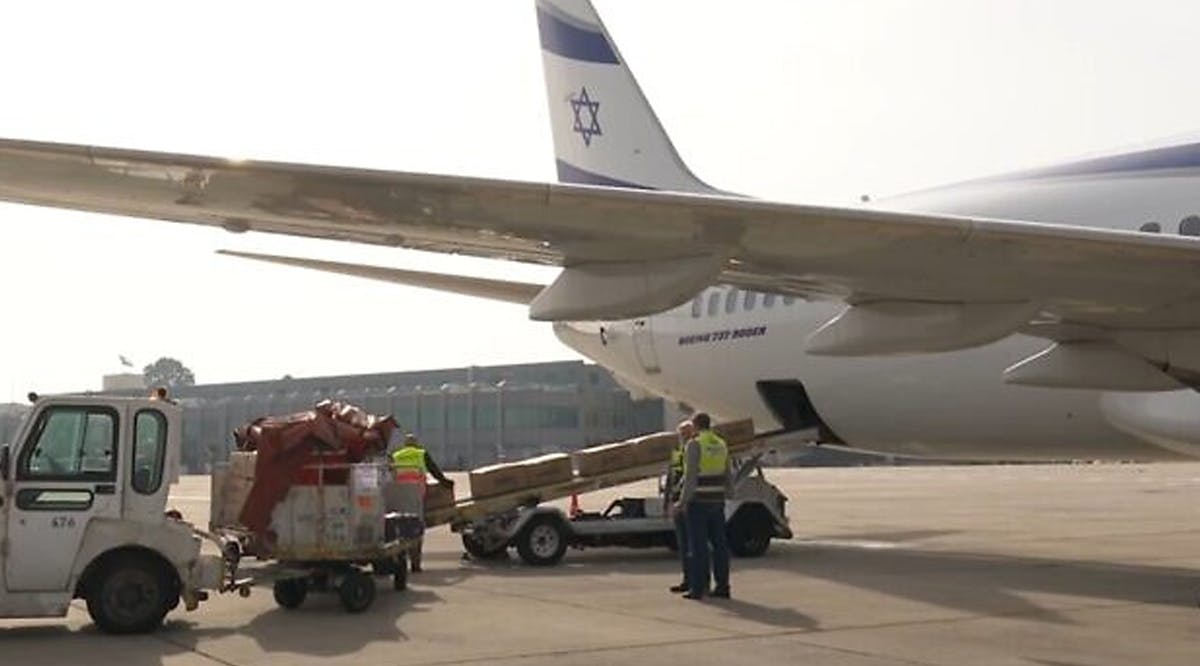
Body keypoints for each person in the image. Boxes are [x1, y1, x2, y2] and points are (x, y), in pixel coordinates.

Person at [674, 412, 732, 600]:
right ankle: (723, 586)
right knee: (720, 545)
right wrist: (728, 493)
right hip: (717, 500)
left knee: (698, 546)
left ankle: (699, 588)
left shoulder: (695, 444)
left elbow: (690, 477)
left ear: (696, 426)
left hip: (698, 501)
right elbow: (727, 473)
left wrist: (682, 502)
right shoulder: (721, 444)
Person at [391, 432, 454, 573]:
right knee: (415, 528)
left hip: (398, 495)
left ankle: (397, 562)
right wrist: (445, 483)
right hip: (416, 494)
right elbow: (434, 470)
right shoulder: (421, 453)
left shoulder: (396, 456)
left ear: (405, 445)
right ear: (416, 444)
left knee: (397, 529)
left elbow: (389, 474)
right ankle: (415, 564)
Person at [666, 419, 695, 594]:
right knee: (683, 546)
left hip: (689, 503)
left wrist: (683, 501)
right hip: (677, 503)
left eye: (686, 434)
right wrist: (668, 501)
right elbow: (672, 478)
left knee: (694, 546)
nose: (683, 437)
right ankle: (687, 579)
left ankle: (697, 581)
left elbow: (690, 479)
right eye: (681, 434)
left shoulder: (694, 451)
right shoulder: (678, 453)